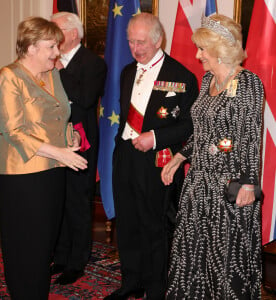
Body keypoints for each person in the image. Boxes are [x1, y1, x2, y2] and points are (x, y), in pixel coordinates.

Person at [162, 14, 264, 299]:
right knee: (192, 257)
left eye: (202, 49)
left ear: (220, 48)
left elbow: (250, 136)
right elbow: (203, 133)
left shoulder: (248, 83)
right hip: (199, 185)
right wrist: (179, 157)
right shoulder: (208, 80)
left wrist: (247, 182)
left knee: (227, 260)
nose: (197, 56)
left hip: (231, 185)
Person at [0, 16, 88, 300]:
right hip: (21, 173)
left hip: (53, 168)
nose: (56, 53)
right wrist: (58, 151)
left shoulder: (52, 73)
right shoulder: (10, 75)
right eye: (50, 47)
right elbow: (13, 131)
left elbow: (60, 116)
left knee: (45, 242)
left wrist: (71, 138)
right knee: (25, 244)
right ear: (31, 47)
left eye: (56, 46)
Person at [104, 13, 198, 300]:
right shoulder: (127, 72)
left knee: (154, 225)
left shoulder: (181, 76)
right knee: (128, 222)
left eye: (141, 42)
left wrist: (155, 138)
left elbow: (190, 125)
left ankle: (157, 289)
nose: (135, 49)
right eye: (130, 41)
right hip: (125, 157)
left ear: (159, 40)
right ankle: (132, 281)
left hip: (158, 161)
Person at [50, 12, 107, 285]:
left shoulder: (93, 63)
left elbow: (84, 100)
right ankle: (60, 257)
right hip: (52, 142)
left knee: (77, 203)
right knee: (57, 201)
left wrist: (60, 71)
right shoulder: (47, 61)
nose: (52, 35)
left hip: (80, 142)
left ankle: (76, 262)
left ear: (73, 33)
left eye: (57, 29)